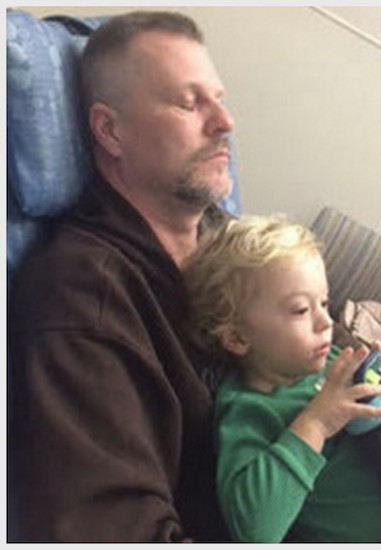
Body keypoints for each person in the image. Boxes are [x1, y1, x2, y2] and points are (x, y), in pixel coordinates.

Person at [9, 11, 235, 541]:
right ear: (110, 130)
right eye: (189, 102)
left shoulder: (227, 236)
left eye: (219, 98)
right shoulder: (82, 297)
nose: (225, 122)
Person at [183, 214, 381, 543]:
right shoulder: (247, 412)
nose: (326, 321)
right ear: (238, 338)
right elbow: (254, 530)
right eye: (300, 310)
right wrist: (316, 423)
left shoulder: (328, 363)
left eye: (324, 303)